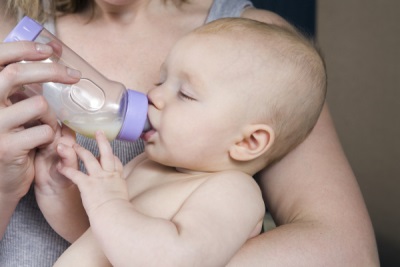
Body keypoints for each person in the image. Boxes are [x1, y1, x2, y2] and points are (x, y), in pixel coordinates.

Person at [0, 0, 379, 266]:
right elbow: (100, 242)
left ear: (248, 142)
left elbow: (169, 259)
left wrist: (107, 203)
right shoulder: (148, 166)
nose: (153, 96)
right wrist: (56, 191)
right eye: (161, 79)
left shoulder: (231, 194)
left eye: (185, 93)